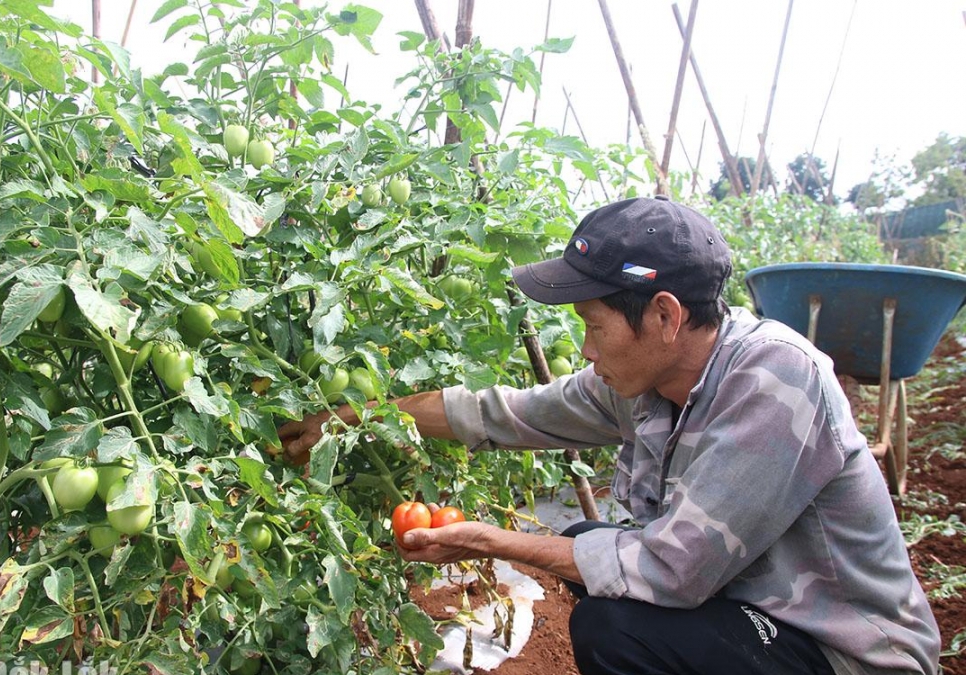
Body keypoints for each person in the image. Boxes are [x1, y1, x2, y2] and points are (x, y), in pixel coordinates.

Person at [278, 196, 940, 675]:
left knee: (616, 626)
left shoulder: (776, 385)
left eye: (594, 325)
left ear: (663, 315)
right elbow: (504, 412)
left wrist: (484, 538)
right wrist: (352, 417)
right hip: (748, 609)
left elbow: (669, 569)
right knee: (582, 544)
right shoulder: (651, 379)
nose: (587, 349)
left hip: (843, 649)